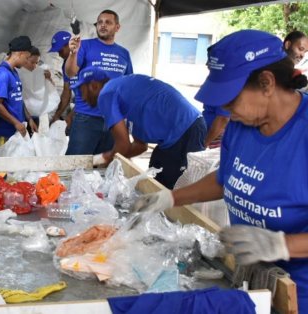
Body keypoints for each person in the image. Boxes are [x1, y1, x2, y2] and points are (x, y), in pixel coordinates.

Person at [132, 30, 308, 312]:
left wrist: (282, 245)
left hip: (299, 294)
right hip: (251, 278)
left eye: (230, 98)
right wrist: (172, 198)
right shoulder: (241, 126)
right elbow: (225, 179)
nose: (224, 109)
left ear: (266, 83)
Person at [72, 66, 206, 189]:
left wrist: (103, 160)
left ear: (93, 86)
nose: (82, 98)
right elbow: (139, 146)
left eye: (81, 90)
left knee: (168, 192)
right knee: (155, 174)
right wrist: (109, 159)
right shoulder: (126, 93)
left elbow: (123, 145)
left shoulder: (106, 94)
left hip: (186, 131)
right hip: (186, 129)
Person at [64, 9, 134, 155]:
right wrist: (72, 53)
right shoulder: (84, 46)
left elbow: (128, 85)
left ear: (117, 27)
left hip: (113, 120)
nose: (102, 25)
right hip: (86, 118)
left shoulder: (124, 53)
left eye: (108, 22)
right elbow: (70, 72)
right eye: (100, 22)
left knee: (105, 166)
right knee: (75, 165)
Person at [0, 36, 38, 150]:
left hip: (14, 133)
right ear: (20, 54)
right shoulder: (3, 75)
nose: (26, 61)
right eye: (26, 58)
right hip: (3, 134)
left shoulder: (14, 72)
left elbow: (18, 99)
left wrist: (29, 119)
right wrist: (16, 123)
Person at [48, 30, 76, 129]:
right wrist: (56, 115)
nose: (59, 55)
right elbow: (66, 92)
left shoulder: (85, 60)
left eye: (60, 51)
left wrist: (71, 116)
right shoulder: (66, 65)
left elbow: (91, 95)